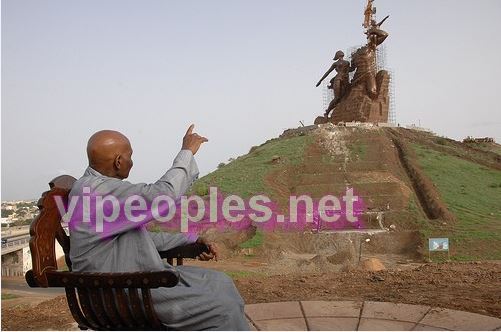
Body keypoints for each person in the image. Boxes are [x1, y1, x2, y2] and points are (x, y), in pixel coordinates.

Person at [68, 124, 250, 330]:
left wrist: (192, 240)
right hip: (120, 290)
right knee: (223, 308)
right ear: (119, 161)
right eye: (130, 156)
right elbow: (162, 196)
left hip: (129, 281)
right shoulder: (96, 191)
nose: (132, 161)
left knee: (220, 281)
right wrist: (186, 152)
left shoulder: (97, 187)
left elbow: (140, 239)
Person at [316, 50, 353, 117]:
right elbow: (328, 72)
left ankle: (333, 111)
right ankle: (327, 112)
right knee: (337, 98)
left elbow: (350, 70)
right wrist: (320, 80)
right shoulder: (335, 64)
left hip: (345, 80)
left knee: (343, 98)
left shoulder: (347, 63)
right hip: (338, 79)